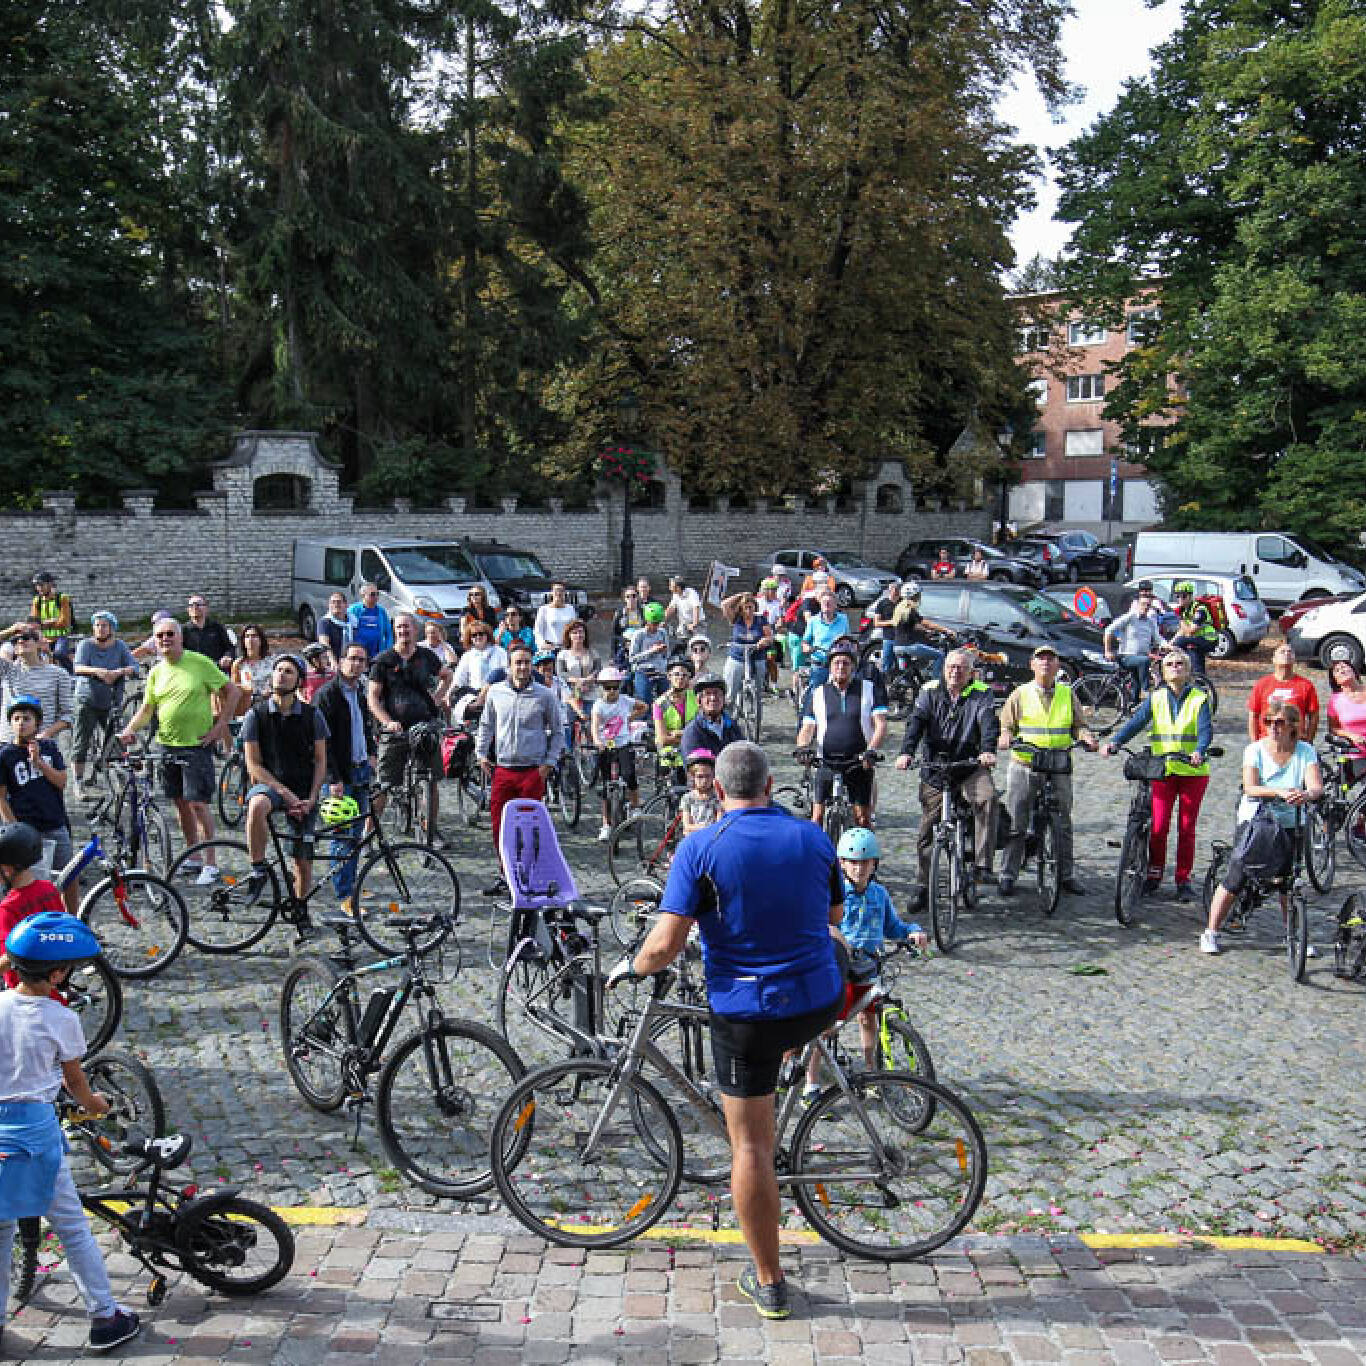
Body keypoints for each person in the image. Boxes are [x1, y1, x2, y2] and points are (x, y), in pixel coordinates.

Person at [614, 742, 843, 1322]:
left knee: (750, 1146)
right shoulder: (813, 837)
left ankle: (769, 1281)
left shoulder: (700, 847)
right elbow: (833, 916)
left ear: (717, 790)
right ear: (769, 785)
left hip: (748, 1013)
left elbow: (664, 946)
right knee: (779, 1071)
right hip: (817, 999)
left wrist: (631, 967)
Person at [0, 911, 142, 1351]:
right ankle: (104, 1316)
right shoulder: (60, 1018)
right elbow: (76, 1083)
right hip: (36, 1134)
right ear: (58, 974)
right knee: (71, 1228)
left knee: (1, 1230)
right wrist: (97, 1106)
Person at [801, 826, 926, 1100]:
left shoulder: (879, 895)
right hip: (840, 969)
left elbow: (893, 926)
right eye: (853, 862)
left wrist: (912, 932)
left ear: (874, 864)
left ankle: (872, 1073)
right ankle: (811, 1084)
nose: (859, 869)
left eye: (865, 863)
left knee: (869, 1021)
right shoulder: (835, 895)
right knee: (824, 1027)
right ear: (842, 864)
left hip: (869, 968)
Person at [117, 619, 239, 886]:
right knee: (181, 804)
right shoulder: (156, 672)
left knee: (199, 804)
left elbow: (232, 691)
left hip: (196, 745)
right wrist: (129, 729)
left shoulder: (200, 663)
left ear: (180, 637)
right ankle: (193, 856)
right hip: (166, 744)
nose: (165, 639)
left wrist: (221, 726)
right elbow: (147, 708)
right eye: (160, 635)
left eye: (170, 634)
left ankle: (210, 863)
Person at [1201, 698, 1321, 955]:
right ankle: (1211, 931)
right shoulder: (1254, 750)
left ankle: (1295, 935)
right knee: (1237, 875)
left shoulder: (1305, 751)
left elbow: (1315, 786)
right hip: (1256, 818)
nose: (1273, 727)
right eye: (1268, 722)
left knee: (1288, 880)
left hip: (1291, 819)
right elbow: (1250, 787)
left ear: (1292, 725)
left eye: (1279, 722)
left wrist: (1306, 794)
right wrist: (1278, 792)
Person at [1103, 649, 1214, 902]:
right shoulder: (1156, 698)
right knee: (1159, 826)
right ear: (1163, 672)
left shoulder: (1199, 698)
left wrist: (1199, 750)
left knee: (1186, 828)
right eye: (1170, 664)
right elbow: (1136, 723)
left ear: (1187, 670)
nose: (1175, 667)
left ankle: (1183, 879)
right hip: (1163, 770)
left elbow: (1205, 730)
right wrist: (1115, 742)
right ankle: (1154, 873)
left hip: (1193, 771)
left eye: (1180, 664)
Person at [895, 648, 1000, 906]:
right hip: (936, 768)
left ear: (971, 672)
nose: (955, 672)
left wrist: (987, 750)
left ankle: (982, 865)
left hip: (969, 765)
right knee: (927, 832)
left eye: (961, 668)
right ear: (943, 669)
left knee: (987, 798)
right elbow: (916, 723)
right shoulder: (929, 691)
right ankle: (923, 885)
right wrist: (906, 752)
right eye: (951, 667)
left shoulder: (981, 693)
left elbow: (988, 723)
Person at [995, 643, 1097, 898]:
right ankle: (1008, 873)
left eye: (1051, 659)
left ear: (1058, 665)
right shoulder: (1020, 694)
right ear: (1032, 665)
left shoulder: (1067, 694)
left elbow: (1079, 725)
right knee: (1017, 821)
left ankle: (1066, 875)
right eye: (1041, 659)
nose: (1046, 663)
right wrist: (1005, 736)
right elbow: (1006, 725)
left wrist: (1086, 736)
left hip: (1058, 764)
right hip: (1025, 764)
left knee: (1063, 821)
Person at [240, 655, 329, 902]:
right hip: (270, 785)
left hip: (303, 789)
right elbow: (253, 764)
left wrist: (312, 797)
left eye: (288, 671)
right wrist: (284, 794)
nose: (281, 674)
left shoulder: (313, 716)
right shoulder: (256, 715)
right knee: (257, 805)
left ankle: (300, 907)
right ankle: (258, 868)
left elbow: (321, 760)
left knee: (302, 860)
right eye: (278, 669)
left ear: (299, 681)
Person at [476, 641, 564, 885]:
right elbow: (486, 725)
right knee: (500, 826)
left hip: (532, 771)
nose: (522, 667)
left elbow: (558, 731)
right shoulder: (495, 692)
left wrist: (549, 762)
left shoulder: (544, 695)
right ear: (509, 666)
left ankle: (528, 874)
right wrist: (481, 753)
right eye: (518, 663)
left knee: (529, 828)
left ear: (532, 665)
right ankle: (506, 875)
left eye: (526, 662)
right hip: (503, 769)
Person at [367, 613, 451, 839]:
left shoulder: (426, 656)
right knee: (384, 784)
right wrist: (387, 721)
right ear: (394, 630)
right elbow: (372, 698)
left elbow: (447, 675)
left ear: (415, 630)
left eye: (407, 627)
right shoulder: (383, 661)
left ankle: (431, 828)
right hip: (395, 730)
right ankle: (368, 834)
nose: (403, 631)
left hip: (424, 726)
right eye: (399, 627)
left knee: (431, 781)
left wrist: (437, 698)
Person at [795, 638, 887, 830]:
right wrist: (803, 747)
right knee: (816, 817)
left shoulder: (868, 689)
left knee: (863, 819)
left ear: (853, 666)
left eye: (846, 663)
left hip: (858, 761)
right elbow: (807, 727)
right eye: (836, 662)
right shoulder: (818, 693)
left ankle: (866, 850)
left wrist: (872, 749)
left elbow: (880, 724)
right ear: (829, 666)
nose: (841, 667)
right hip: (826, 760)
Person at [314, 642, 376, 904]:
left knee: (356, 835)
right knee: (342, 837)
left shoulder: (360, 692)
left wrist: (372, 752)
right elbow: (321, 743)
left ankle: (351, 883)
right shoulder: (328, 694)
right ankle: (344, 895)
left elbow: (365, 727)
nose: (357, 664)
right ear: (340, 662)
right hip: (340, 775)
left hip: (360, 770)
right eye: (352, 659)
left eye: (362, 660)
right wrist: (333, 778)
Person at [0, 697, 75, 912]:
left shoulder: (49, 748)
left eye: (26, 718)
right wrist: (15, 829)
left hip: (54, 823)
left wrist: (39, 763)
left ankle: (73, 919)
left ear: (37, 723)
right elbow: (1, 798)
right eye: (16, 719)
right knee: (32, 884)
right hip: (27, 829)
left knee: (69, 875)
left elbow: (61, 781)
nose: (21, 723)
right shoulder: (5, 756)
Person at [71, 612, 138, 800]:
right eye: (97, 625)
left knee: (117, 741)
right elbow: (78, 667)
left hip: (112, 700)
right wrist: (97, 671)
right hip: (87, 699)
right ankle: (78, 782)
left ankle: (121, 780)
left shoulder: (120, 646)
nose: (100, 629)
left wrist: (119, 672)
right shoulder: (85, 645)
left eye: (104, 625)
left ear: (112, 628)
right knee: (81, 741)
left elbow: (134, 666)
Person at [589, 667, 646, 839]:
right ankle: (606, 824)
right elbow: (594, 726)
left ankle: (635, 806)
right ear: (601, 688)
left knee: (629, 775)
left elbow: (644, 707)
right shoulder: (598, 705)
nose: (612, 691)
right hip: (605, 746)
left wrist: (629, 718)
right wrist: (597, 741)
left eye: (615, 687)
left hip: (623, 743)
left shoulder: (625, 701)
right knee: (605, 785)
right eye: (608, 687)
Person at [0, 626, 74, 747]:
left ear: (38, 643)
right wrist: (11, 630)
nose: (20, 641)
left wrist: (47, 734)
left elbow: (68, 715)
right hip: (9, 742)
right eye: (15, 640)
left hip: (41, 743)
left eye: (26, 637)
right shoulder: (7, 670)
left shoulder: (59, 674)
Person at [1248, 642, 1319, 743]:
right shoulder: (1262, 684)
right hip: (1267, 741)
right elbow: (1253, 715)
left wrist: (1308, 741)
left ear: (1294, 659)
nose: (1287, 654)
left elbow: (1314, 716)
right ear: (1274, 659)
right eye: (1282, 652)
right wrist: (1255, 743)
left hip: (1295, 742)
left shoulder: (1306, 685)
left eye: (1290, 652)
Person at [720, 591, 773, 728]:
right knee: (730, 693)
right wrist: (741, 594)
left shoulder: (761, 620)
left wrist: (764, 641)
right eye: (746, 607)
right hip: (737, 656)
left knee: (758, 690)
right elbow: (724, 604)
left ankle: (755, 713)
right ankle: (726, 724)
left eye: (751, 607)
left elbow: (769, 637)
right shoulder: (736, 619)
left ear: (755, 607)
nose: (749, 610)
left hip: (756, 657)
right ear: (741, 608)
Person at [1103, 585, 1164, 699]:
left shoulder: (1150, 621)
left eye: (1148, 605)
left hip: (1140, 658)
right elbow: (1108, 630)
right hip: (1126, 656)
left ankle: (1133, 704)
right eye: (1143, 604)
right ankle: (1145, 691)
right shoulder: (1130, 617)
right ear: (1138, 604)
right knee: (1144, 661)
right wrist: (1108, 651)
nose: (1145, 608)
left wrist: (1169, 646)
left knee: (1136, 682)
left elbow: (1158, 638)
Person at [886, 581, 948, 680]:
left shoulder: (900, 608)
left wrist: (926, 632)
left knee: (908, 672)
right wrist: (946, 630)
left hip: (897, 646)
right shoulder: (910, 610)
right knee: (940, 655)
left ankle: (908, 683)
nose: (920, 597)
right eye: (918, 594)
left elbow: (911, 626)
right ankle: (936, 682)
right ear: (914, 596)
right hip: (909, 646)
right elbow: (926, 623)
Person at [556, 618, 600, 745]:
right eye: (574, 632)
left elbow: (598, 670)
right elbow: (560, 673)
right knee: (568, 726)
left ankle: (594, 751)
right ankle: (567, 751)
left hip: (590, 694)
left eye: (581, 632)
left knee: (591, 725)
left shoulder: (593, 652)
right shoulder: (563, 654)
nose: (578, 635)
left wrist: (589, 680)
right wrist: (577, 681)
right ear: (569, 635)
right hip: (570, 696)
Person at [680, 673, 743, 758]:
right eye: (707, 694)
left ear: (724, 699)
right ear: (699, 701)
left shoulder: (733, 726)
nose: (713, 698)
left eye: (717, 693)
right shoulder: (693, 730)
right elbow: (694, 764)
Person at [652, 657, 698, 774]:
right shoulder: (659, 704)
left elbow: (703, 729)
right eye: (676, 674)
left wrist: (677, 733)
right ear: (669, 676)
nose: (680, 678)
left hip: (693, 755)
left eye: (684, 675)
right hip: (669, 758)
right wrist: (691, 735)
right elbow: (663, 740)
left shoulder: (696, 698)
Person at [800, 590, 852, 689]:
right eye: (824, 603)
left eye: (829, 603)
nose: (826, 605)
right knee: (816, 693)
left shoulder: (843, 619)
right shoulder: (813, 621)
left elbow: (849, 640)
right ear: (820, 605)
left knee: (839, 692)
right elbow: (805, 642)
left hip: (837, 665)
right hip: (819, 665)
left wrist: (844, 642)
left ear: (835, 605)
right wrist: (808, 648)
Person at [29, 572, 74, 672]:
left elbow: (64, 622)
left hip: (61, 637)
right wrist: (53, 621)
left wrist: (43, 623)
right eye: (36, 585)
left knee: (59, 654)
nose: (38, 588)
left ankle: (72, 674)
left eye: (41, 585)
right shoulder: (37, 601)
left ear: (50, 584)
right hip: (44, 638)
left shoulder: (62, 598)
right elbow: (34, 623)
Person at [1170, 581, 1217, 678]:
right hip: (1197, 639)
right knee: (1191, 650)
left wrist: (1181, 620)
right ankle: (1199, 678)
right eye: (1177, 596)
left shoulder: (1200, 609)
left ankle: (1186, 671)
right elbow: (1182, 631)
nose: (1180, 599)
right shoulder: (1184, 610)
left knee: (1181, 642)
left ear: (1190, 596)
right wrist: (1169, 644)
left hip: (1209, 638)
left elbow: (1190, 631)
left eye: (1183, 596)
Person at [628, 602, 671, 702]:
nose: (656, 626)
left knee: (666, 700)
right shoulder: (639, 635)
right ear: (647, 621)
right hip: (643, 670)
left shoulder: (662, 632)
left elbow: (667, 655)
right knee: (644, 700)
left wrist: (663, 650)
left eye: (658, 623)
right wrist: (651, 651)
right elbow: (632, 658)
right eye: (654, 623)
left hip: (660, 670)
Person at [182, 594, 234, 672]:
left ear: (206, 608)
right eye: (191, 605)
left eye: (198, 604)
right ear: (188, 610)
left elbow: (229, 648)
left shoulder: (217, 627)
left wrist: (227, 656)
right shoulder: (183, 630)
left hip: (216, 671)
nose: (195, 607)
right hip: (193, 672)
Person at [230, 624, 273, 716]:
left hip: (269, 705)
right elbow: (235, 689)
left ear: (261, 640)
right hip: (247, 709)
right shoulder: (238, 664)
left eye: (254, 636)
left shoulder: (272, 661)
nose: (250, 640)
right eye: (247, 636)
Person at [345, 583, 394, 661]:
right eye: (372, 594)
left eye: (377, 594)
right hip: (357, 653)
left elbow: (388, 633)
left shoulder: (381, 611)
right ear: (363, 595)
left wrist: (388, 651)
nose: (376, 597)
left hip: (376, 654)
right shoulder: (353, 610)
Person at [1326, 650, 1366, 744]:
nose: (1342, 671)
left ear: (1353, 671)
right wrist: (1350, 735)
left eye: (1344, 667)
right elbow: (1333, 728)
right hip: (1355, 748)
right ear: (1335, 680)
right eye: (1337, 670)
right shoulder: (1335, 701)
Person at [680, 748, 721, 833]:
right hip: (693, 838)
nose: (704, 781)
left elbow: (719, 825)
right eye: (700, 777)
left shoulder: (717, 797)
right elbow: (687, 826)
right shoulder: (687, 798)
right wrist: (705, 827)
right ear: (692, 777)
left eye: (708, 776)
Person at [533, 583, 578, 654]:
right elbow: (538, 630)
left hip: (567, 648)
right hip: (550, 648)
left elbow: (575, 628)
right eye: (556, 590)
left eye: (561, 591)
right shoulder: (544, 609)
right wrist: (542, 644)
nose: (559, 593)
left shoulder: (570, 608)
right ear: (552, 593)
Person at [610, 585, 646, 669]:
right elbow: (614, 635)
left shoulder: (643, 612)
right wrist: (612, 656)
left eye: (634, 596)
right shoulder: (620, 613)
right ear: (624, 599)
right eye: (628, 596)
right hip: (624, 648)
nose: (631, 599)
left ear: (638, 597)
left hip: (641, 648)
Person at [665, 576, 704, 641]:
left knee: (697, 642)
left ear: (678, 588)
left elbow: (696, 607)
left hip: (698, 623)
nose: (669, 588)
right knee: (680, 642)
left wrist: (694, 624)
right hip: (684, 624)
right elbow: (671, 608)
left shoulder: (691, 593)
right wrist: (662, 620)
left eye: (671, 586)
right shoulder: (676, 595)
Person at [316, 591, 350, 662]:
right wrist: (332, 660)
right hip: (332, 662)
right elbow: (324, 643)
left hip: (350, 661)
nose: (336, 605)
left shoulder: (354, 622)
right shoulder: (324, 622)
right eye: (333, 602)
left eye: (339, 602)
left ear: (346, 605)